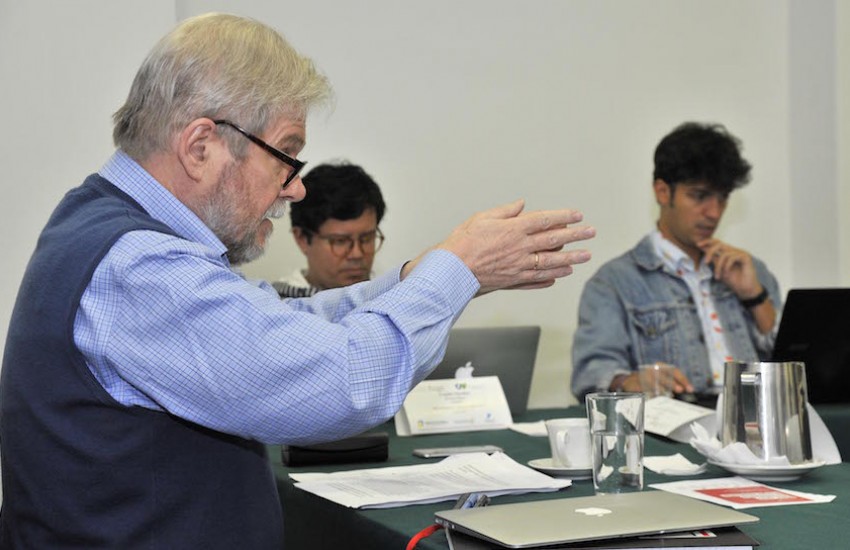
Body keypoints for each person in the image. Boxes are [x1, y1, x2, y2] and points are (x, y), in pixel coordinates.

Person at [0, 13, 595, 548]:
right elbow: (344, 382)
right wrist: (454, 273)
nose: (295, 187)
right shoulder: (139, 267)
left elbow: (281, 328)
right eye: (285, 155)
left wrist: (418, 276)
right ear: (201, 145)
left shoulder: (104, 224)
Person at [570, 122, 780, 402]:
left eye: (723, 198)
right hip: (673, 427)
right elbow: (591, 375)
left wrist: (755, 297)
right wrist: (632, 381)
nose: (714, 212)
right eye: (699, 196)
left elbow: (794, 372)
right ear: (662, 192)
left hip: (754, 420)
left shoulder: (750, 271)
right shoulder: (614, 283)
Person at [274, 161, 386, 298]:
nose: (357, 254)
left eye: (367, 238)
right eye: (340, 241)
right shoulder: (277, 307)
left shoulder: (389, 298)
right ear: (302, 239)